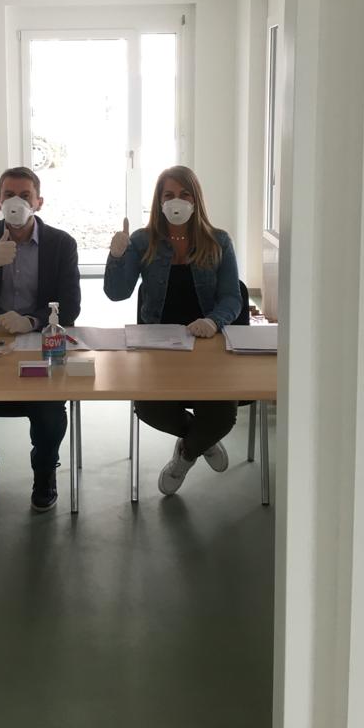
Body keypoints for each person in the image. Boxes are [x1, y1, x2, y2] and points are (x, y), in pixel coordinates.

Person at [0, 166, 81, 513]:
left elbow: (71, 307)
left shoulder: (61, 244)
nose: (16, 201)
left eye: (25, 195)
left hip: (39, 348)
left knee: (50, 416)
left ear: (38, 202)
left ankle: (44, 472)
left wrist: (32, 321)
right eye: (9, 195)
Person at [104, 165, 242, 496]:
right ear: (159, 201)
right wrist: (117, 255)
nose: (176, 201)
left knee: (223, 416)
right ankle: (201, 441)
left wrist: (213, 321)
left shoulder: (218, 240)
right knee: (149, 408)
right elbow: (117, 292)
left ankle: (187, 452)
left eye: (184, 194)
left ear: (195, 200)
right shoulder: (143, 240)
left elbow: (232, 297)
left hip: (208, 346)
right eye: (169, 195)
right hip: (158, 348)